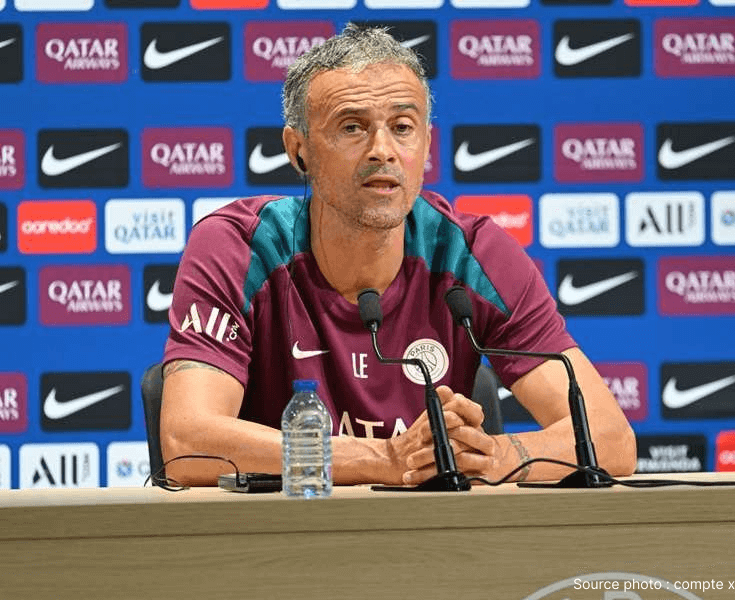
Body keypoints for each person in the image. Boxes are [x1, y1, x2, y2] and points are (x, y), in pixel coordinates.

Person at [160, 23, 636, 487]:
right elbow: (187, 442)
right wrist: (382, 458)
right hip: (275, 544)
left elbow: (612, 440)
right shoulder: (237, 248)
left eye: (403, 127)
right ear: (298, 150)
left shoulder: (475, 256)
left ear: (427, 143)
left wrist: (494, 455)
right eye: (352, 127)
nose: (383, 150)